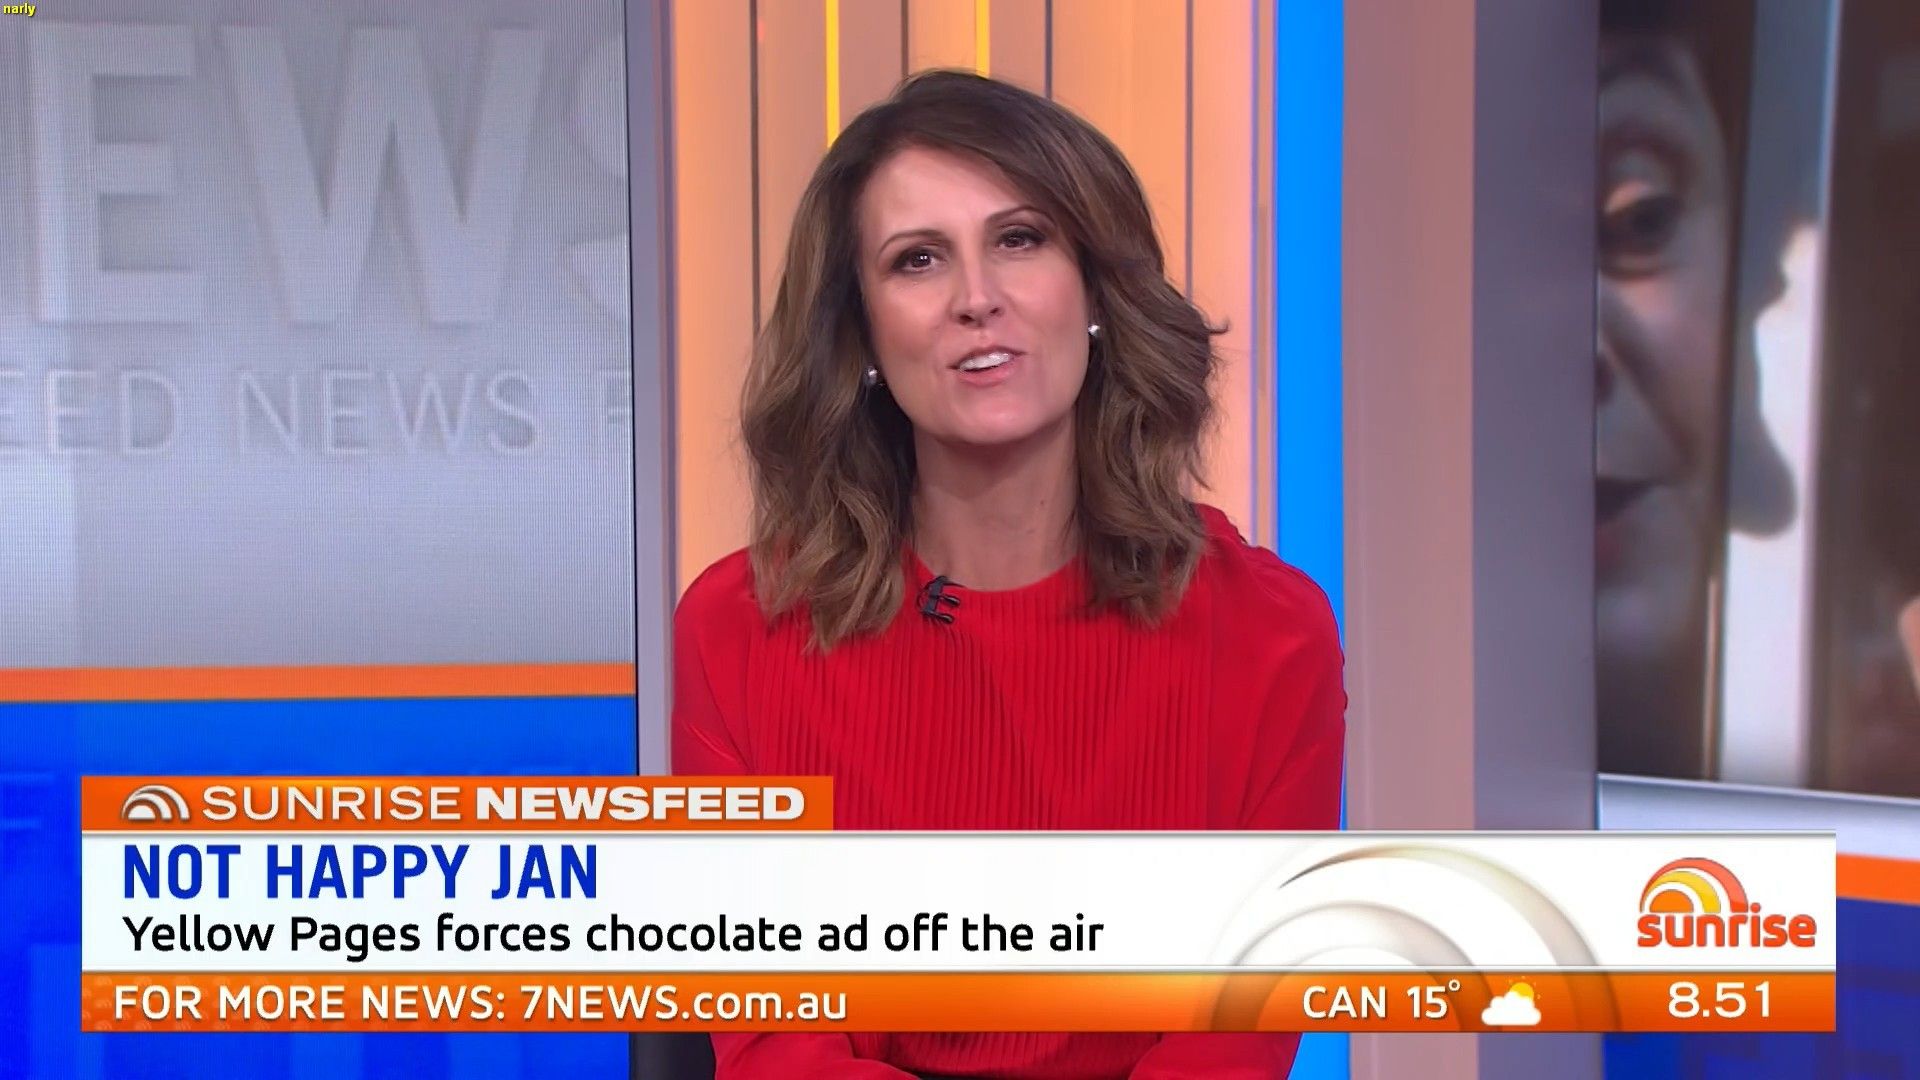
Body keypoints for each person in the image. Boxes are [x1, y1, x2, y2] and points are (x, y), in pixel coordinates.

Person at [671, 70, 1345, 1079]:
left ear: (1095, 291)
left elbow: (1236, 1037)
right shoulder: (739, 629)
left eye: (1020, 240)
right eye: (918, 259)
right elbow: (773, 1040)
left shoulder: (1268, 634)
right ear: (861, 334)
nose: (976, 298)